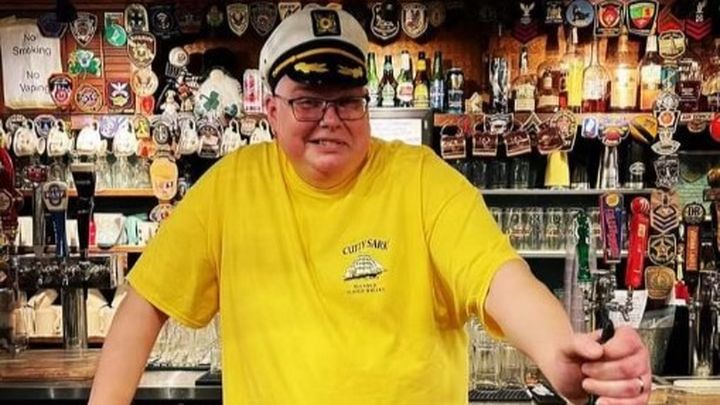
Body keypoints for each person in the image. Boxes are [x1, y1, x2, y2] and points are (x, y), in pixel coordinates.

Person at [89, 7, 651, 405]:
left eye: (348, 101)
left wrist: (561, 356)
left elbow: (503, 281)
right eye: (309, 101)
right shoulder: (231, 188)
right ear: (272, 110)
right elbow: (145, 303)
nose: (330, 119)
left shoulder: (422, 181)